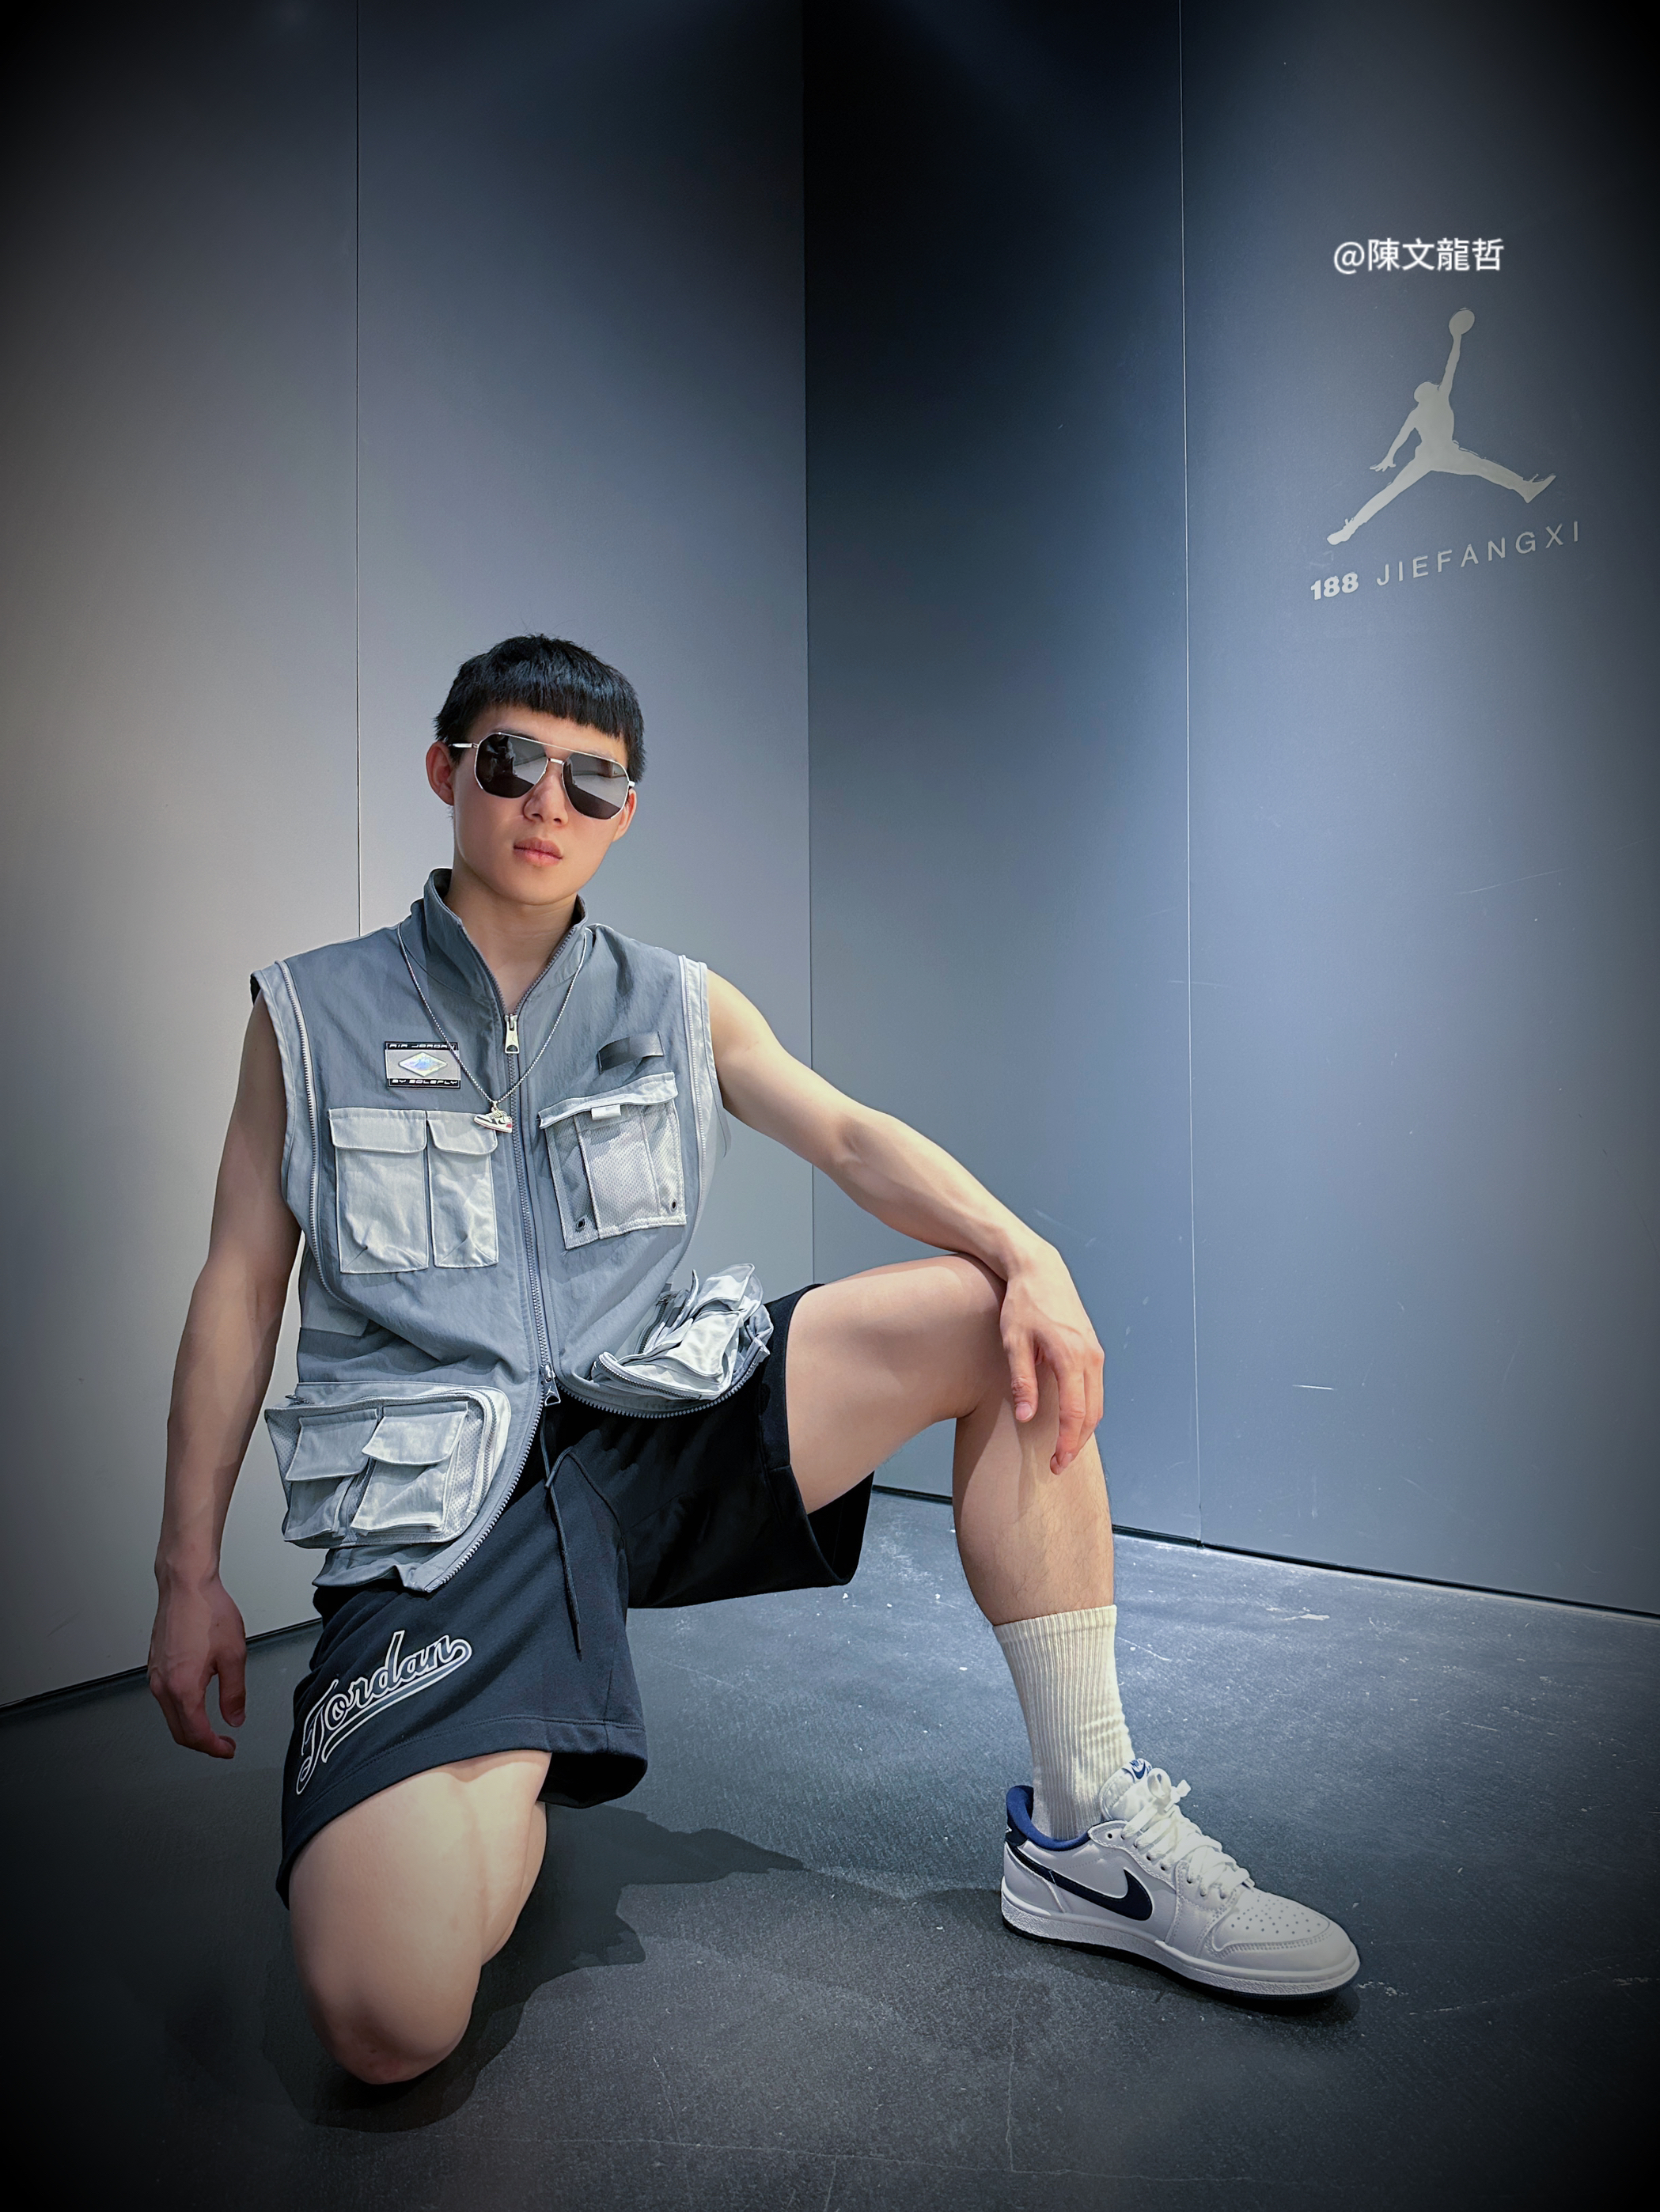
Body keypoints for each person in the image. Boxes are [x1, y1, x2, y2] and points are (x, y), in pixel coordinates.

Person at [148, 634, 1359, 2084]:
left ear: (625, 812)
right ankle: (511, 1748)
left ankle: (1083, 1818)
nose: (547, 801)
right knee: (386, 2020)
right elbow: (239, 1288)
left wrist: (1029, 1252)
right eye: (511, 761)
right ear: (445, 771)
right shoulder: (308, 1015)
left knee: (990, 1315)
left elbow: (844, 1134)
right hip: (444, 1511)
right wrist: (186, 1573)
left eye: (593, 780)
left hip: (651, 1432)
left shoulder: (677, 1001)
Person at [1328, 308, 1553, 544]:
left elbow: (1402, 437)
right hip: (1440, 454)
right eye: (1430, 385)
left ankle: (1351, 528)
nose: (1433, 385)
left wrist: (1390, 457)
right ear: (1425, 392)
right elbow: (1451, 366)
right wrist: (1457, 338)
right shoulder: (1438, 398)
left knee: (1394, 490)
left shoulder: (1421, 410)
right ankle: (1523, 488)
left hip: (1435, 455)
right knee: (1482, 467)